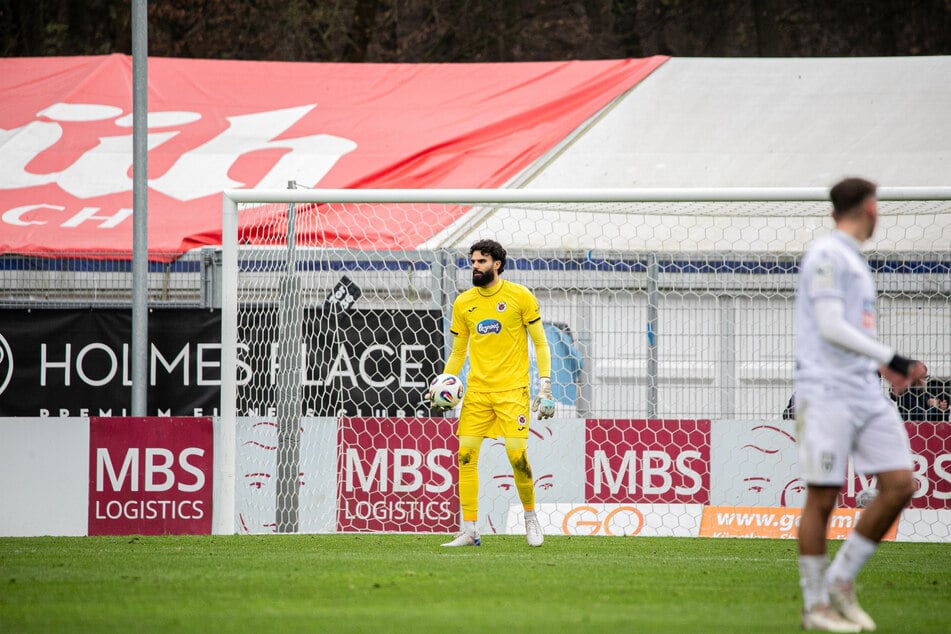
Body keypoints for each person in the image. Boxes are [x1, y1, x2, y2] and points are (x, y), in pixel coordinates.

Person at [794, 177, 928, 631]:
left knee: (900, 484)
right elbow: (830, 325)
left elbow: (850, 331)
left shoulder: (853, 259)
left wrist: (880, 366)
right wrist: (893, 358)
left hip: (865, 388)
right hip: (826, 391)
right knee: (823, 496)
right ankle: (815, 606)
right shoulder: (826, 255)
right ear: (871, 209)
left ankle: (841, 578)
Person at [427, 239, 555, 548]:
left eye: (481, 261)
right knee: (465, 456)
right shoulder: (464, 303)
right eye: (472, 261)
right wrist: (444, 383)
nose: (475, 266)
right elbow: (458, 352)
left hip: (512, 392)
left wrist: (545, 385)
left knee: (517, 455)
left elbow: (540, 342)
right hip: (478, 394)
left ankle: (530, 518)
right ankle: (470, 530)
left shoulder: (519, 296)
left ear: (496, 264)